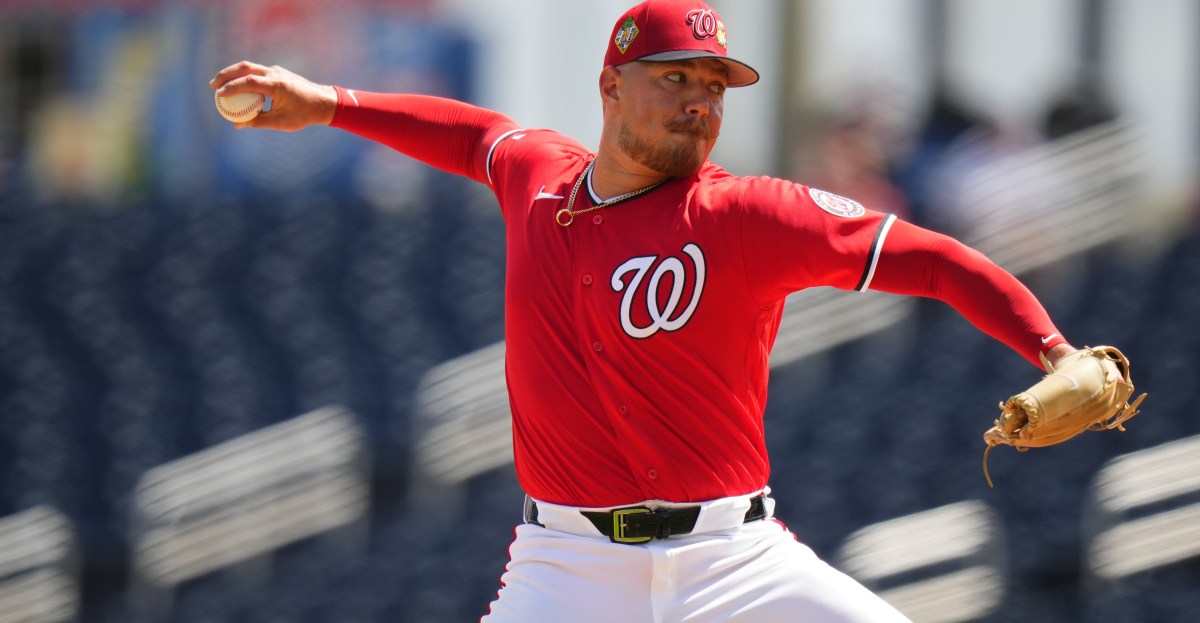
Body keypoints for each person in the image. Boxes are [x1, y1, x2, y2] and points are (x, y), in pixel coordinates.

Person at [210, 1, 1079, 621]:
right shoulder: (539, 179)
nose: (701, 100)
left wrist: (1053, 350)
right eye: (676, 78)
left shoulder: (747, 214)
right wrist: (327, 103)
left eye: (716, 85)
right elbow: (471, 133)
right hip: (566, 568)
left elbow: (936, 260)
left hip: (736, 562)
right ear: (611, 86)